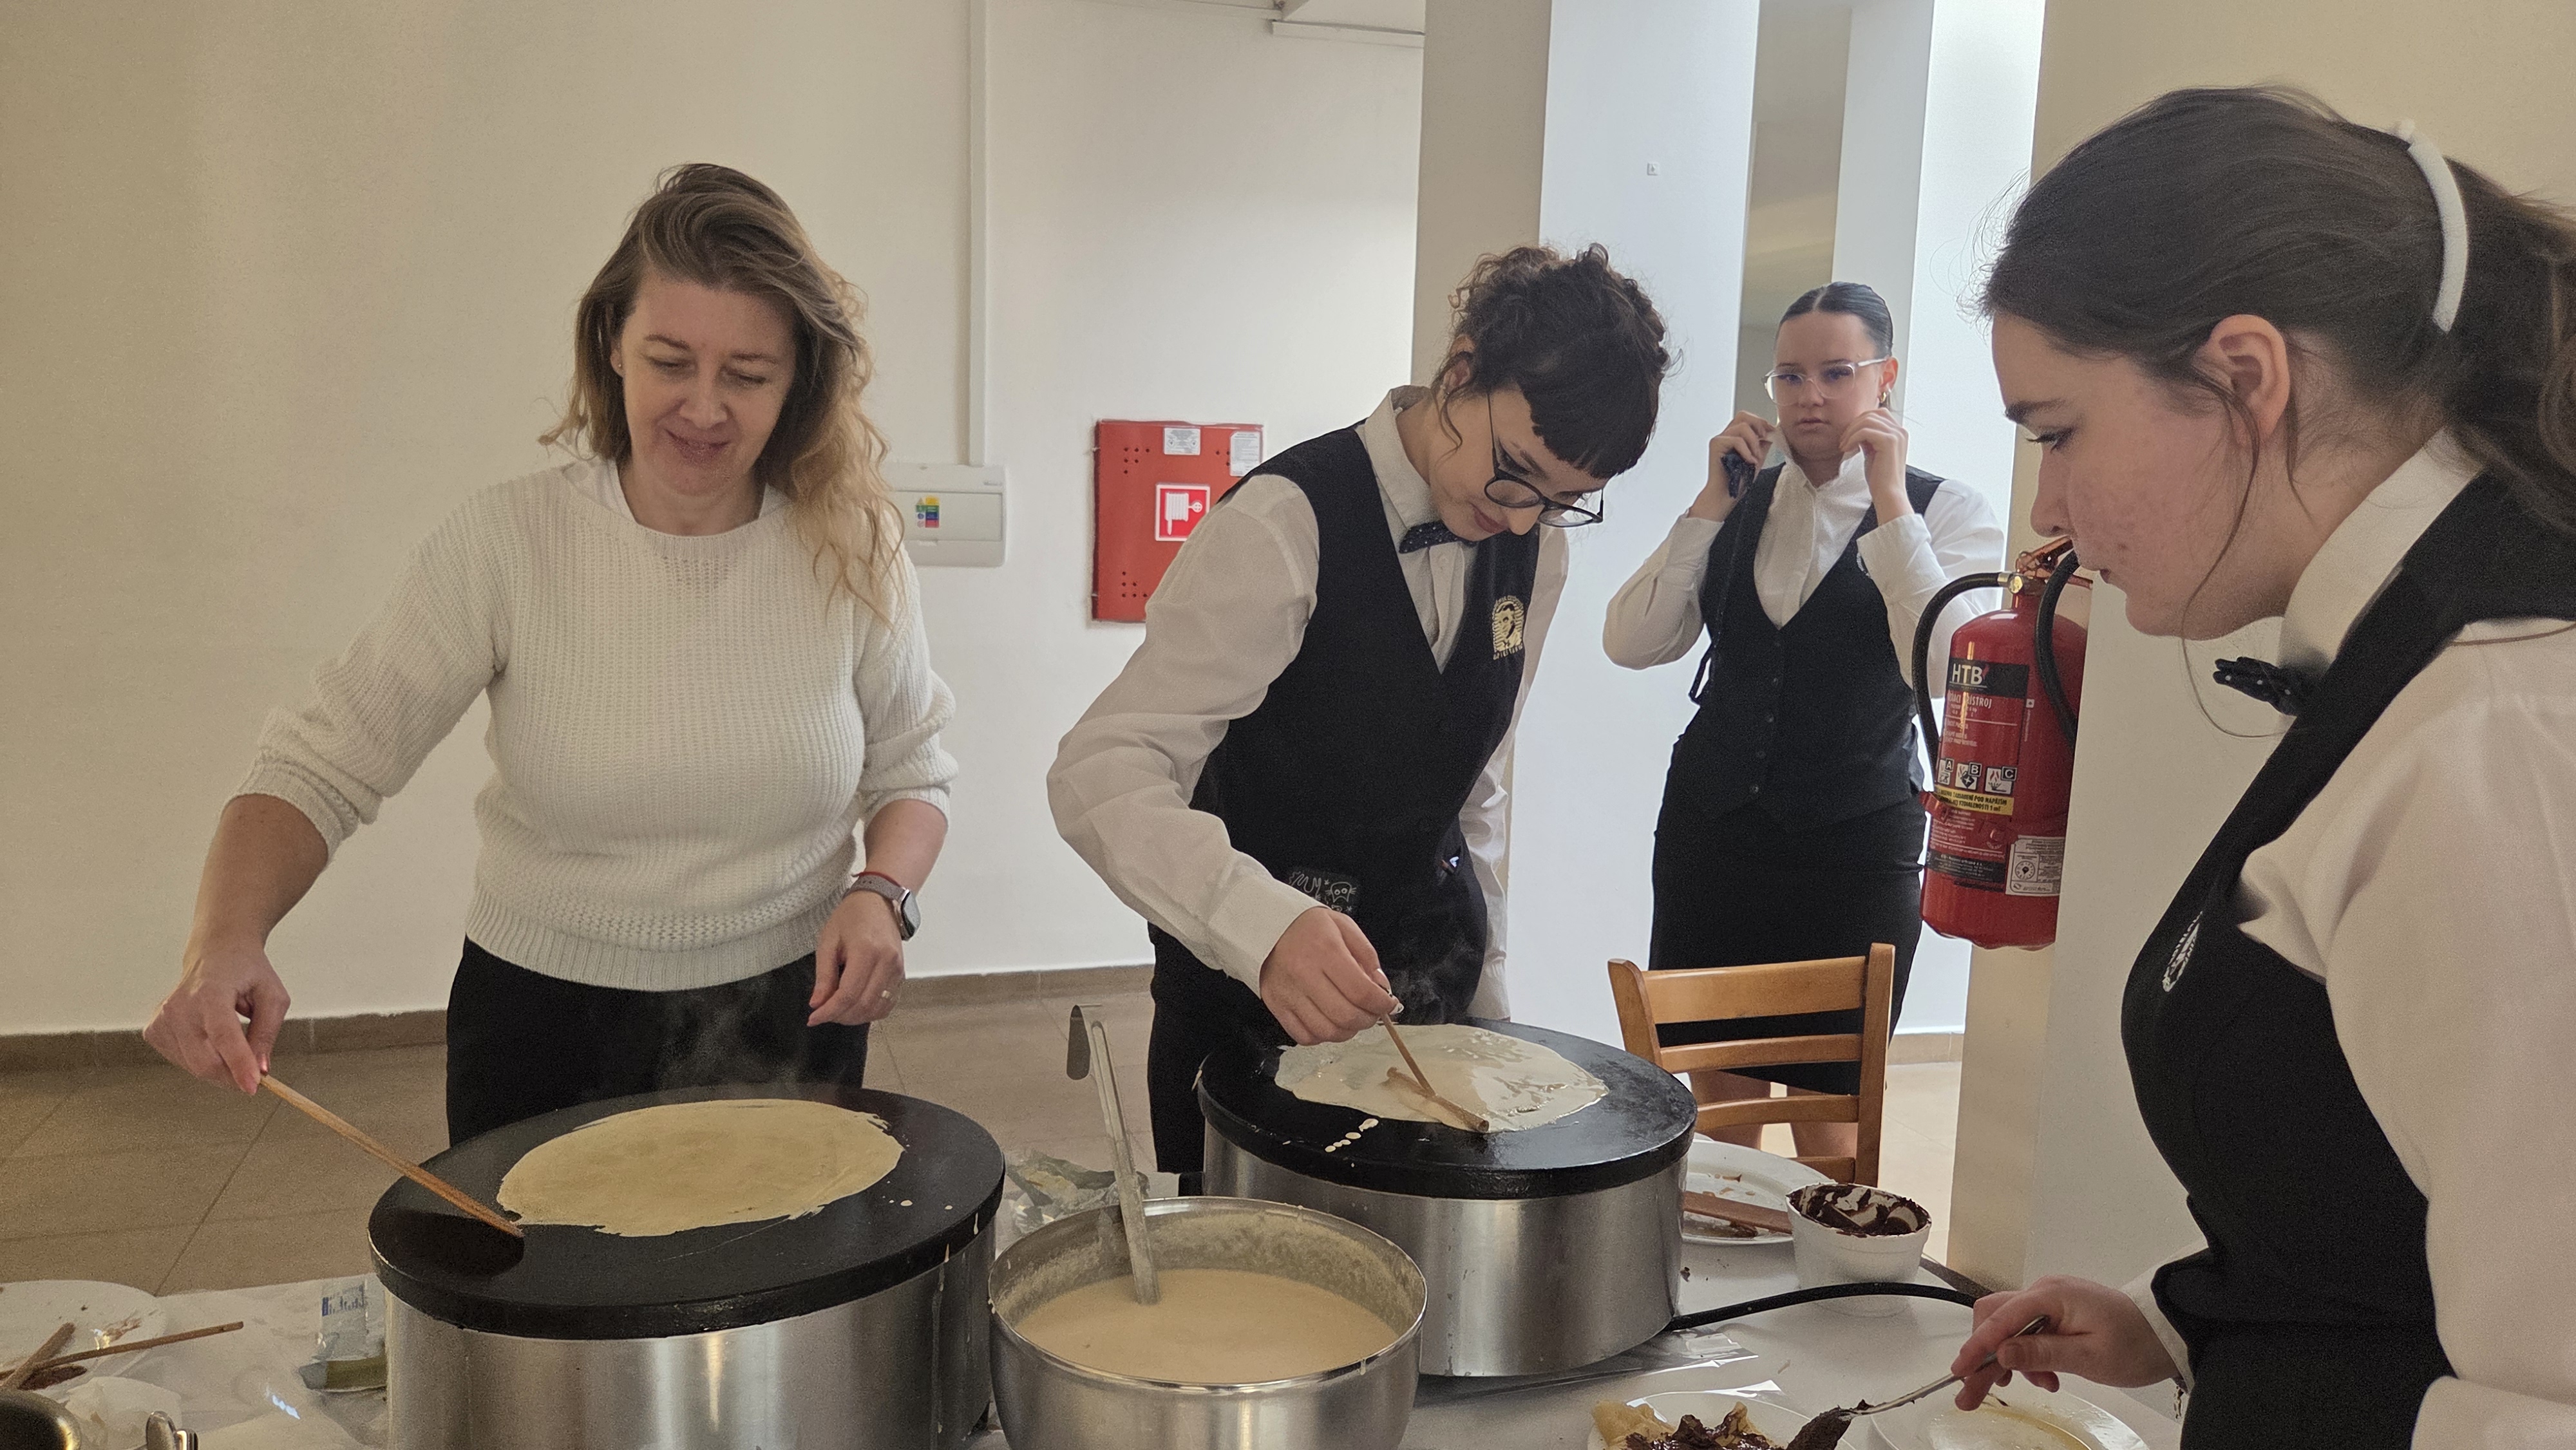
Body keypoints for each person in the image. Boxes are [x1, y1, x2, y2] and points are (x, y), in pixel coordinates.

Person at [1945, 88, 2576, 1446]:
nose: (2047, 510)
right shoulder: (2410, 658)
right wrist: (2186, 1321)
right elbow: (2400, 1203)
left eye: (2057, 432)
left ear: (2244, 376)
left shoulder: (2497, 737)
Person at [145, 164, 958, 1144]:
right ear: (612, 344)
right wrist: (224, 939)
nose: (704, 408)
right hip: (548, 1023)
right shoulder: (507, 543)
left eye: (748, 375)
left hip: (792, 1013)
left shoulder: (852, 547)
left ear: (798, 382)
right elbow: (321, 764)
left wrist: (882, 895)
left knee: (781, 1250)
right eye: (670, 361)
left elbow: (914, 770)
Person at [1049, 245, 1671, 1176]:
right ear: (1460, 370)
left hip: (1434, 1002)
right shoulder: (1282, 524)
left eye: (1565, 501)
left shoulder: (1537, 549)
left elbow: (1477, 785)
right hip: (1245, 1013)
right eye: (1515, 471)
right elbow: (1101, 771)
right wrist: (1257, 924)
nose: (1520, 519)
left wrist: (1491, 1002)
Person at [1604, 283, 2002, 1163]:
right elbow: (1632, 640)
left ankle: (1824, 1250)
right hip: (1714, 835)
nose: (1809, 397)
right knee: (1721, 1097)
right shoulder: (1740, 500)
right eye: (1789, 377)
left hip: (1854, 846)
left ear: (1885, 378)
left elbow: (1950, 671)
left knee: (1833, 1111)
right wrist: (1709, 504)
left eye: (1836, 372)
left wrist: (1891, 506)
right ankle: (1728, 1240)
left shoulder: (1946, 510)